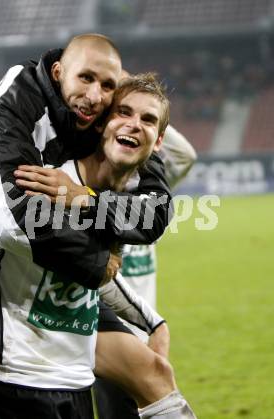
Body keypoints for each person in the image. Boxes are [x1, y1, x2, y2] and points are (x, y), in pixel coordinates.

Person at [0, 34, 171, 418]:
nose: (95, 96)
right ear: (59, 73)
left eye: (107, 86)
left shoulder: (89, 122)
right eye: (86, 79)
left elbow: (153, 204)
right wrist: (96, 261)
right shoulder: (18, 103)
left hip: (29, 256)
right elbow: (8, 220)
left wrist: (86, 197)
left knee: (153, 370)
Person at [93, 125, 197, 418]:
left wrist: (152, 128)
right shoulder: (95, 194)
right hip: (111, 331)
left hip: (146, 330)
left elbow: (184, 155)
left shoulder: (151, 194)